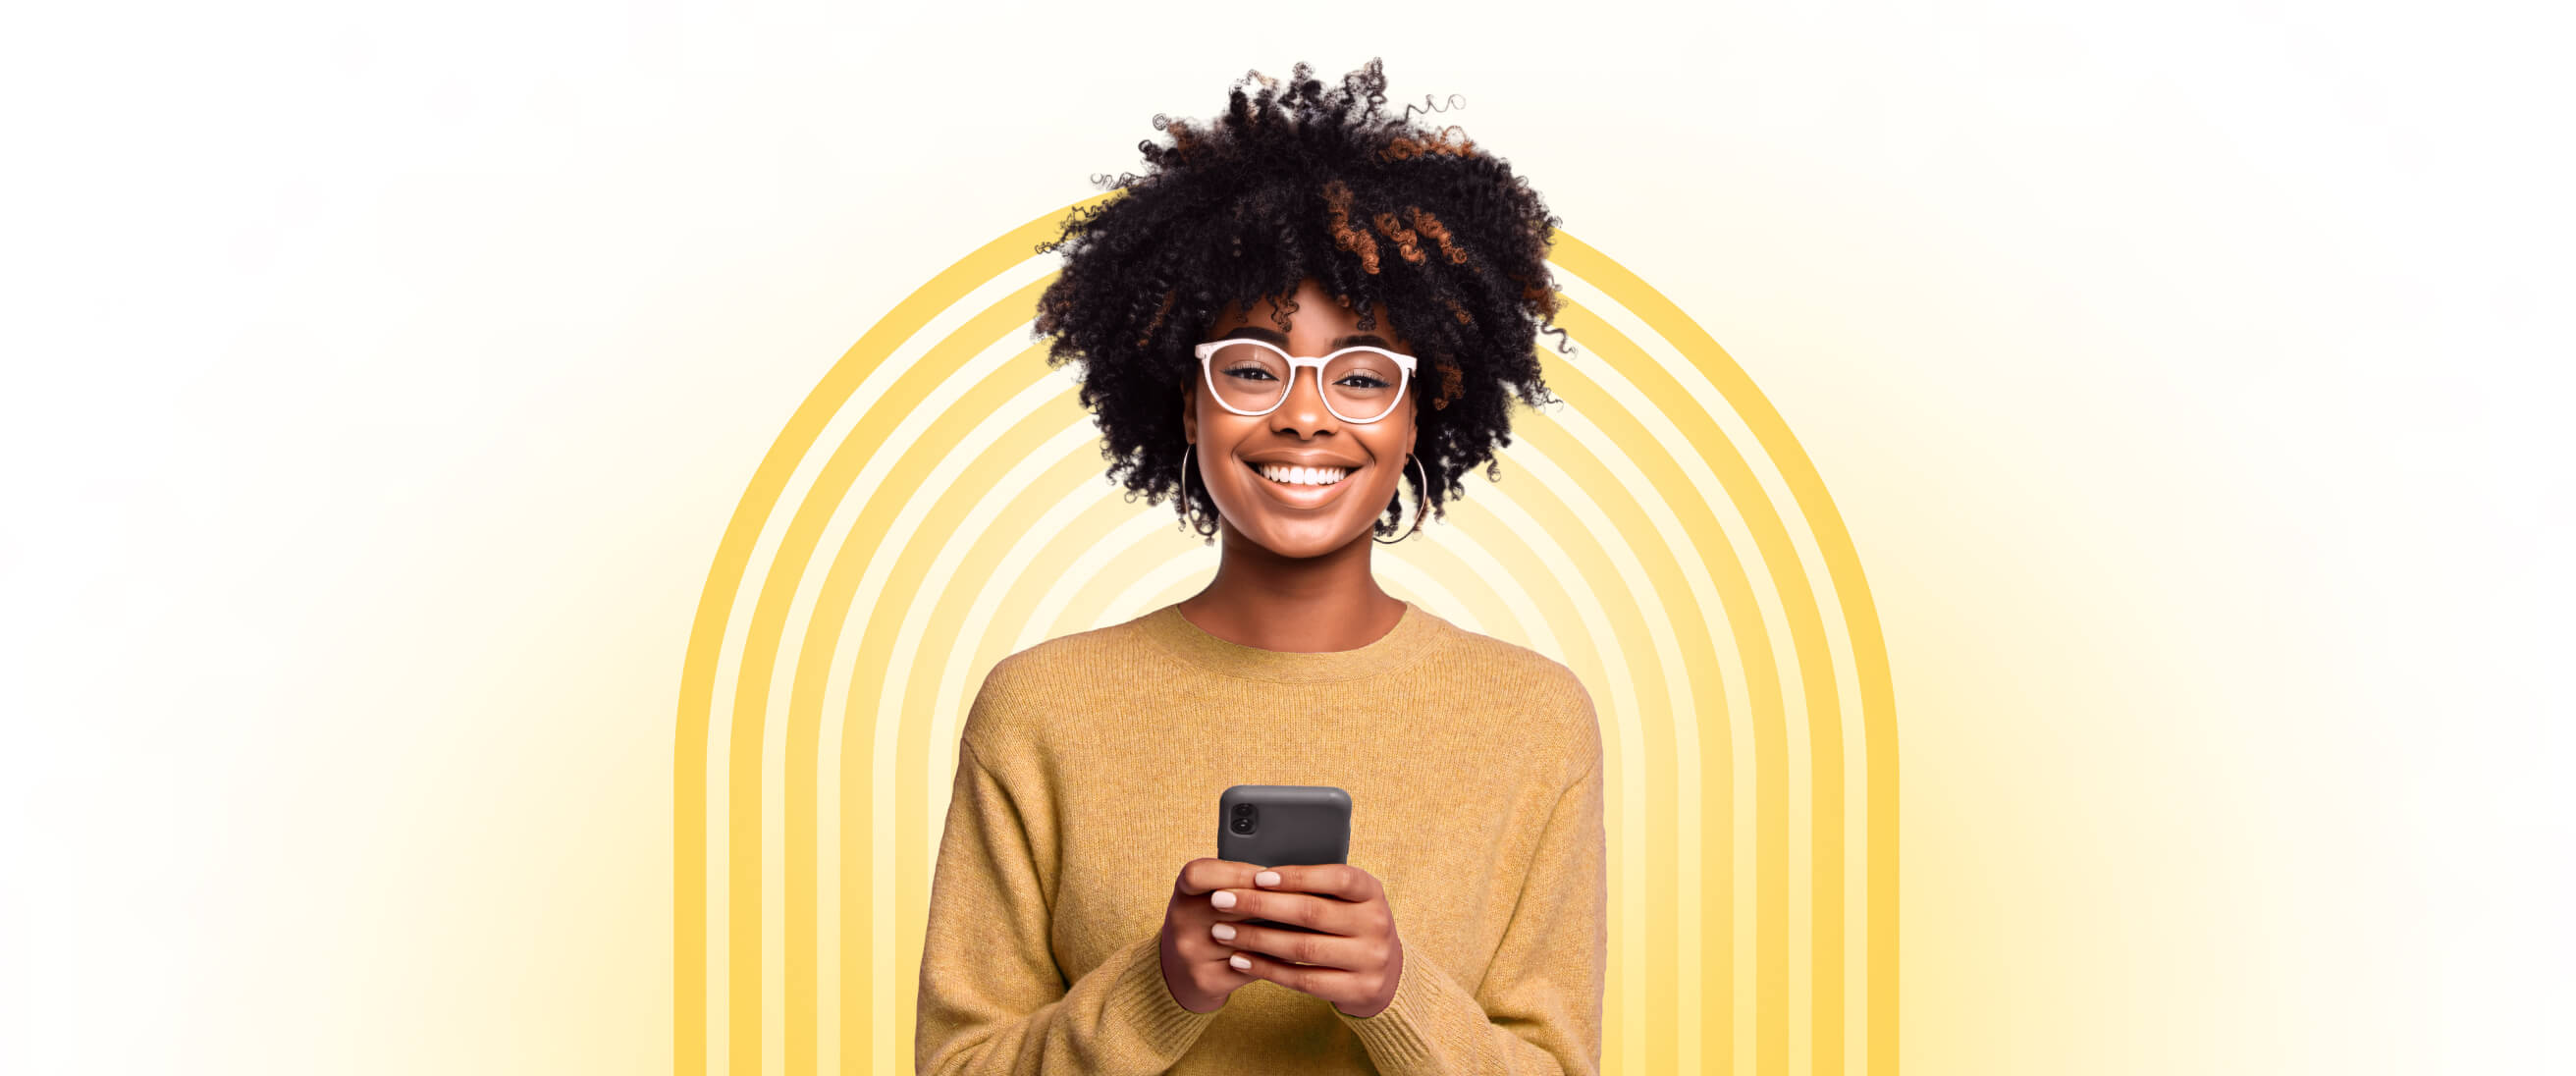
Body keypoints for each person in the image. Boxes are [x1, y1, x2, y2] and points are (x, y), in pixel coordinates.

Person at [915, 58, 1606, 1075]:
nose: (1304, 413)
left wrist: (1392, 992)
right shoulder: (1040, 710)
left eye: (1362, 375)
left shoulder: (1532, 717)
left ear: (1423, 413)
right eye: (1250, 367)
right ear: (1186, 401)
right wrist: (1162, 988)